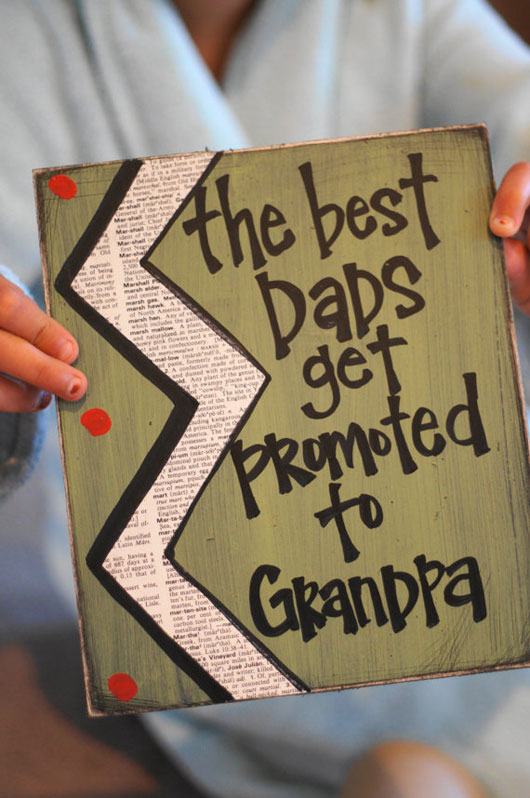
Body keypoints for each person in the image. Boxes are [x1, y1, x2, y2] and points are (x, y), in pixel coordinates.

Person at [0, 1, 529, 795]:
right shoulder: (23, 39)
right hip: (223, 609)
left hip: (463, 552)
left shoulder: (408, 13)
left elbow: (515, 103)